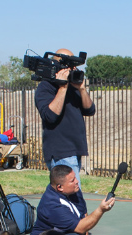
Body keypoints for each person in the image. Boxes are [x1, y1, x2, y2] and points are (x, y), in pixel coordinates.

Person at [26, 165, 115, 235]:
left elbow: (83, 214)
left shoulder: (74, 191)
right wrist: (100, 210)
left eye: (75, 177)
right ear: (60, 187)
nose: (77, 181)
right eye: (72, 180)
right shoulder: (52, 204)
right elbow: (80, 228)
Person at [35, 48, 95, 185]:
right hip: (61, 151)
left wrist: (81, 88)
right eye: (70, 65)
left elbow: (90, 110)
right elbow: (50, 116)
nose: (73, 68)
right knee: (72, 197)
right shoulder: (46, 87)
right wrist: (62, 87)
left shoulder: (74, 87)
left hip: (74, 149)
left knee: (68, 198)